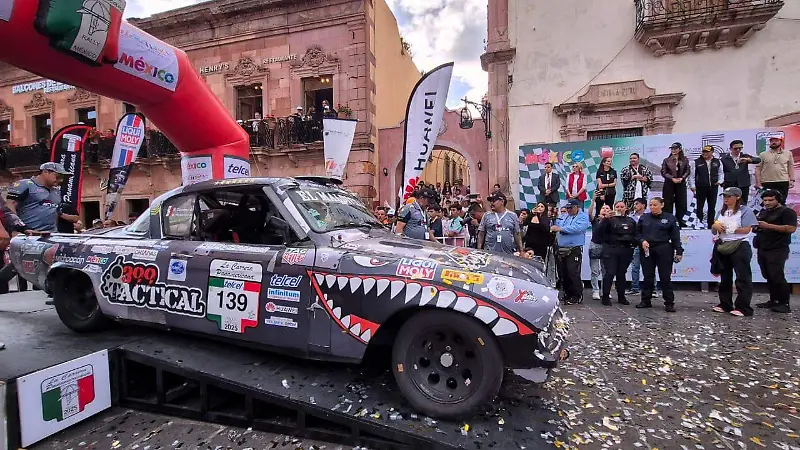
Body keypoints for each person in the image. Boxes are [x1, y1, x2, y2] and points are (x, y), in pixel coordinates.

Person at [710, 187, 758, 317]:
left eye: (729, 196)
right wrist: (715, 227)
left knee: (742, 277)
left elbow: (747, 229)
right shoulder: (721, 212)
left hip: (739, 244)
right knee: (725, 277)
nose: (726, 198)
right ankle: (725, 303)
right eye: (724, 196)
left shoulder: (745, 211)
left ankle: (743, 307)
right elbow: (714, 230)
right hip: (724, 244)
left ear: (737, 197)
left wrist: (730, 229)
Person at [635, 197, 683, 312]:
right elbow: (637, 234)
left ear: (662, 205)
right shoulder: (644, 218)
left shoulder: (670, 218)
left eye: (655, 205)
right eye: (651, 205)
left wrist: (679, 251)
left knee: (665, 277)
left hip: (664, 248)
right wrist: (642, 241)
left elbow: (675, 236)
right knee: (648, 276)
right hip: (647, 249)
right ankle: (646, 300)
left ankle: (669, 302)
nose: (652, 207)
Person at [753, 189, 797, 314]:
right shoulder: (764, 212)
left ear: (778, 199)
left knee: (777, 276)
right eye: (765, 200)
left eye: (770, 200)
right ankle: (774, 300)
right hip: (763, 247)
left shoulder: (787, 212)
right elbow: (758, 227)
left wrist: (768, 226)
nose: (767, 203)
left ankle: (784, 303)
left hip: (778, 248)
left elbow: (791, 228)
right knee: (768, 275)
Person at [5, 162, 74, 233]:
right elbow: (9, 206)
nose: (61, 180)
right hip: (28, 234)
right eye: (58, 177)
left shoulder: (56, 191)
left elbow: (54, 212)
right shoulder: (24, 184)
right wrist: (17, 229)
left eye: (63, 178)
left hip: (51, 234)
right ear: (45, 172)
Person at [596, 200, 637, 306]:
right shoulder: (609, 220)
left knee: (621, 274)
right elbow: (598, 232)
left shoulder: (630, 220)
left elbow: (636, 234)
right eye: (617, 206)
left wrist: (633, 244)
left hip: (626, 250)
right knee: (610, 273)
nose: (620, 208)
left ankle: (621, 297)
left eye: (622, 206)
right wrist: (605, 219)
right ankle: (605, 296)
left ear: (626, 208)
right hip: (611, 249)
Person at [551, 199, 590, 304]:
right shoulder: (564, 216)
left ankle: (577, 295)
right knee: (563, 273)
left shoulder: (583, 217)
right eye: (567, 208)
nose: (568, 210)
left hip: (573, 249)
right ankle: (567, 293)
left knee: (573, 272)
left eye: (571, 208)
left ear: (577, 207)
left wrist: (561, 229)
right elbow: (557, 224)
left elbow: (577, 228)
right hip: (561, 247)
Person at [688, 145, 723, 229]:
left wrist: (720, 181)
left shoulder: (717, 161)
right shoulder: (696, 162)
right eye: (704, 151)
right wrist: (692, 186)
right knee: (699, 206)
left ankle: (711, 225)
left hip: (713, 187)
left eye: (707, 152)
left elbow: (721, 173)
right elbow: (692, 176)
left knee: (712, 206)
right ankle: (698, 223)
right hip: (700, 187)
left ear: (712, 152)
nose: (705, 153)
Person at [755, 134, 795, 203]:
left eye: (776, 140)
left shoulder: (788, 153)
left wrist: (792, 180)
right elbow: (758, 169)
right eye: (771, 141)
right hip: (767, 182)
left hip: (782, 181)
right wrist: (758, 183)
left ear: (781, 142)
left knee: (782, 201)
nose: (773, 142)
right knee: (767, 202)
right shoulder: (763, 154)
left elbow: (790, 166)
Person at [721, 140, 760, 206]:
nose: (738, 150)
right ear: (730, 149)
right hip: (730, 184)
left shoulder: (744, 156)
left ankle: (743, 215)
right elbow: (721, 172)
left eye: (740, 148)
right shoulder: (724, 159)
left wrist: (749, 160)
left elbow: (758, 160)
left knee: (743, 203)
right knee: (730, 203)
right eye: (735, 148)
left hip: (743, 184)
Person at [660, 142, 690, 227]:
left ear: (680, 149)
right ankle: (667, 222)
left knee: (681, 203)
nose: (673, 150)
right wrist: (672, 178)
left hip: (681, 183)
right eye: (672, 148)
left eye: (675, 148)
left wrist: (682, 178)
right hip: (669, 183)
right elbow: (663, 172)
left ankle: (681, 222)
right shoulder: (666, 160)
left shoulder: (685, 159)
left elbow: (688, 170)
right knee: (668, 203)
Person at [587, 193, 611, 300]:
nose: (605, 209)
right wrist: (593, 200)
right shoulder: (595, 220)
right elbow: (589, 213)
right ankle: (595, 290)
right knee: (595, 270)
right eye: (603, 208)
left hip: (607, 246)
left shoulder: (612, 221)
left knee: (606, 270)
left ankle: (605, 290)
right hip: (595, 246)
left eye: (607, 208)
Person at [625, 198, 647, 295]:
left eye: (637, 204)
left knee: (649, 267)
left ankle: (653, 289)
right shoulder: (631, 217)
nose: (635, 205)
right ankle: (635, 288)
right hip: (636, 245)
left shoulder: (649, 216)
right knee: (635, 267)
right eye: (634, 204)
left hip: (647, 244)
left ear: (643, 205)